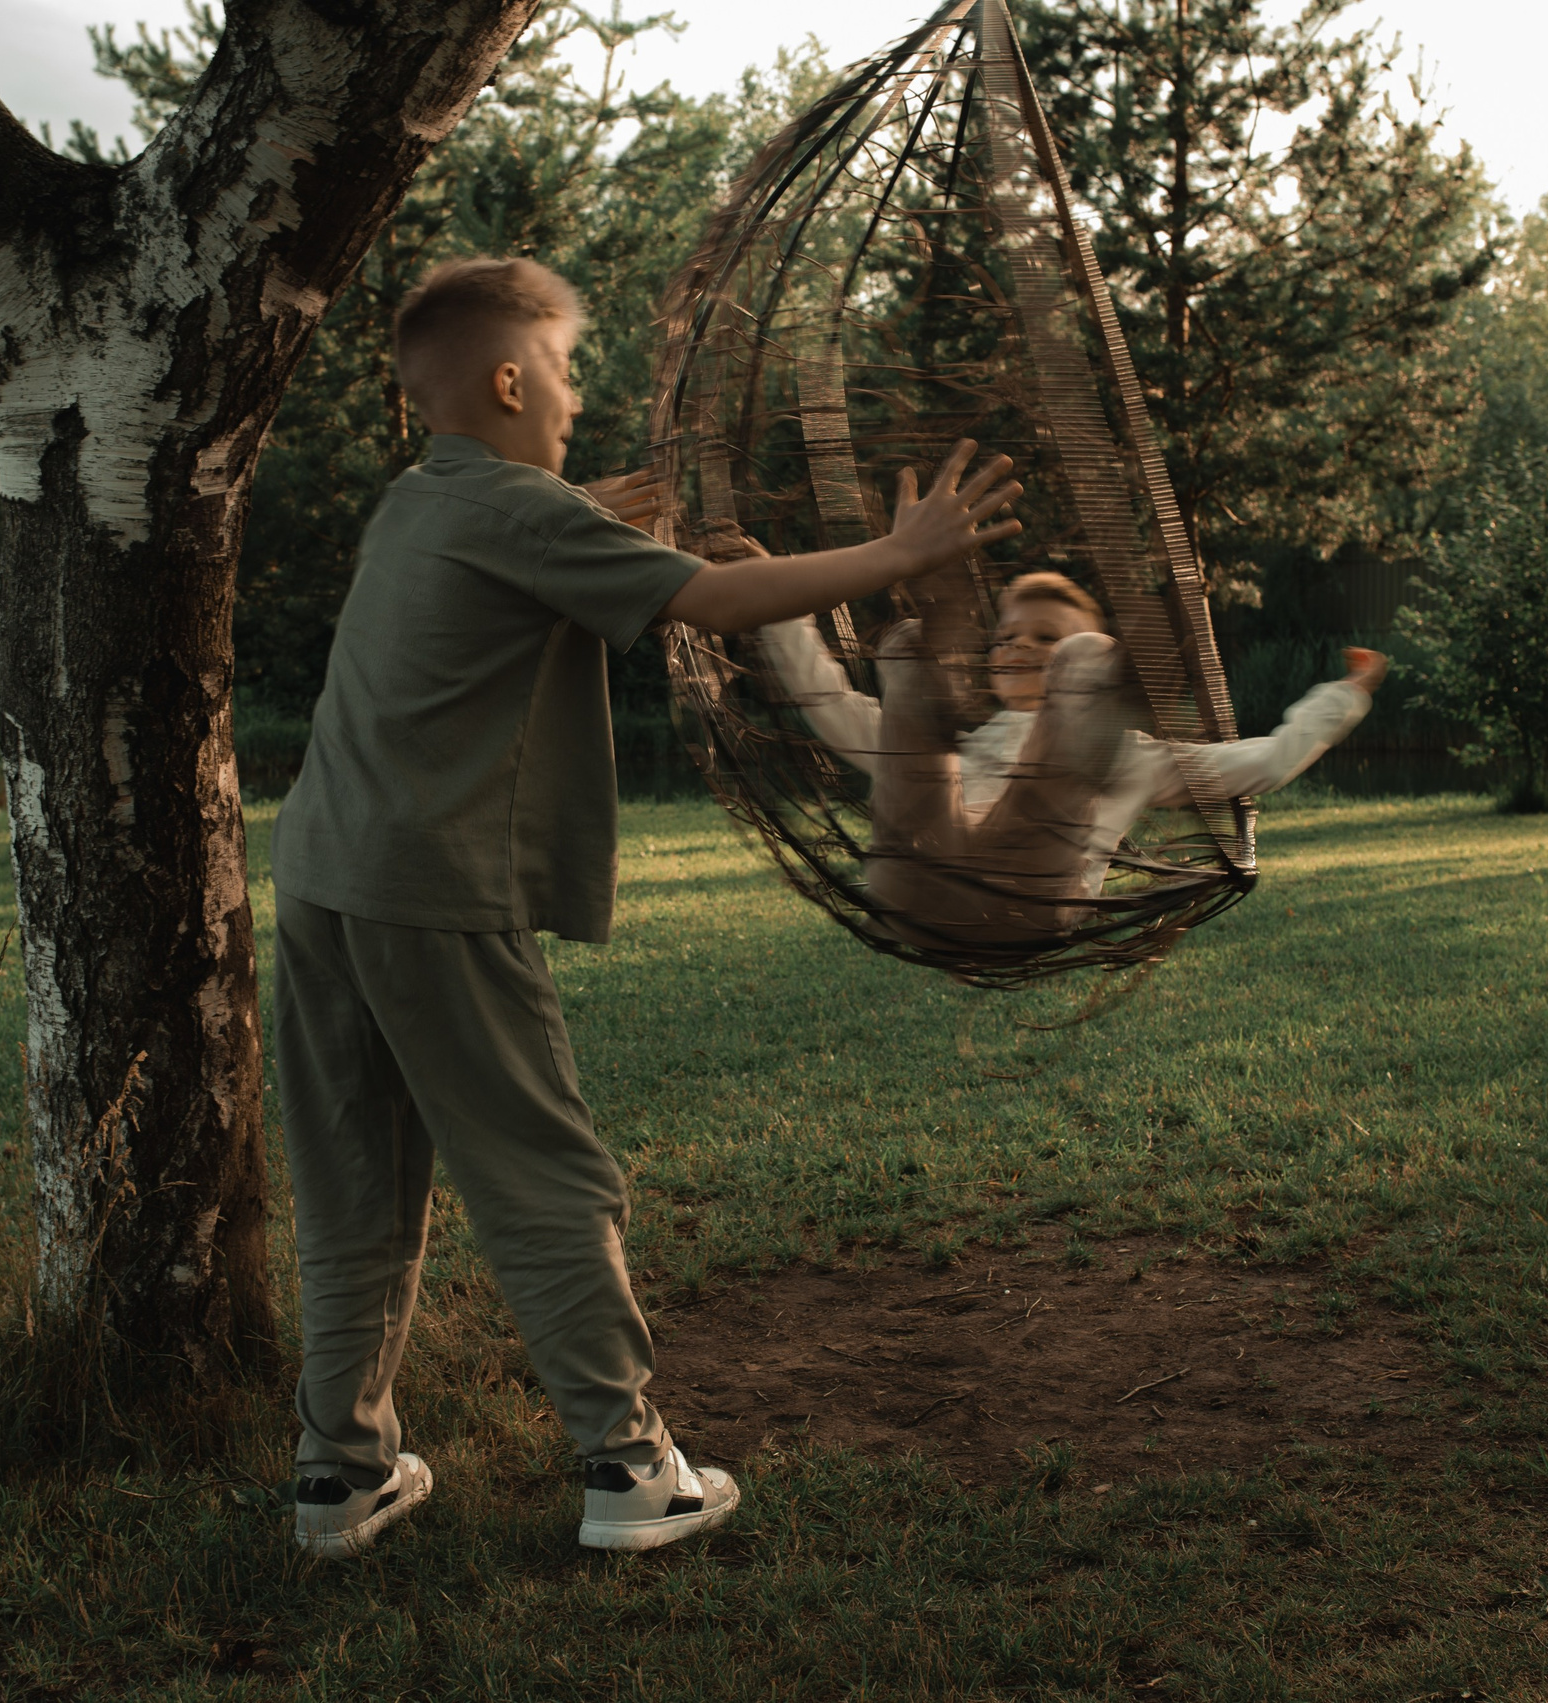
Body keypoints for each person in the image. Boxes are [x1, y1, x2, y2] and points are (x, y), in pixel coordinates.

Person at [268, 255, 1023, 1558]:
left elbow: (548, 540)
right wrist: (898, 553)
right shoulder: (520, 508)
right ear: (508, 379)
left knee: (355, 1184)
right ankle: (629, 1468)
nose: (574, 392)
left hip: (320, 878)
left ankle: (336, 1474)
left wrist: (603, 511)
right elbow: (715, 598)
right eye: (562, 367)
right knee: (547, 1171)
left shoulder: (422, 502)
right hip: (433, 892)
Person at [759, 571, 1385, 944]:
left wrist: (1344, 697)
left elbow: (1267, 761)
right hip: (916, 889)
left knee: (1084, 670)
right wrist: (778, 599)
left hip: (1030, 899)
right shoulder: (958, 748)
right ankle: (937, 643)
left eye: (1044, 639)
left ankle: (1093, 681)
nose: (1019, 648)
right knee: (908, 653)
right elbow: (826, 698)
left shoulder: (1133, 758)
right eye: (1006, 637)